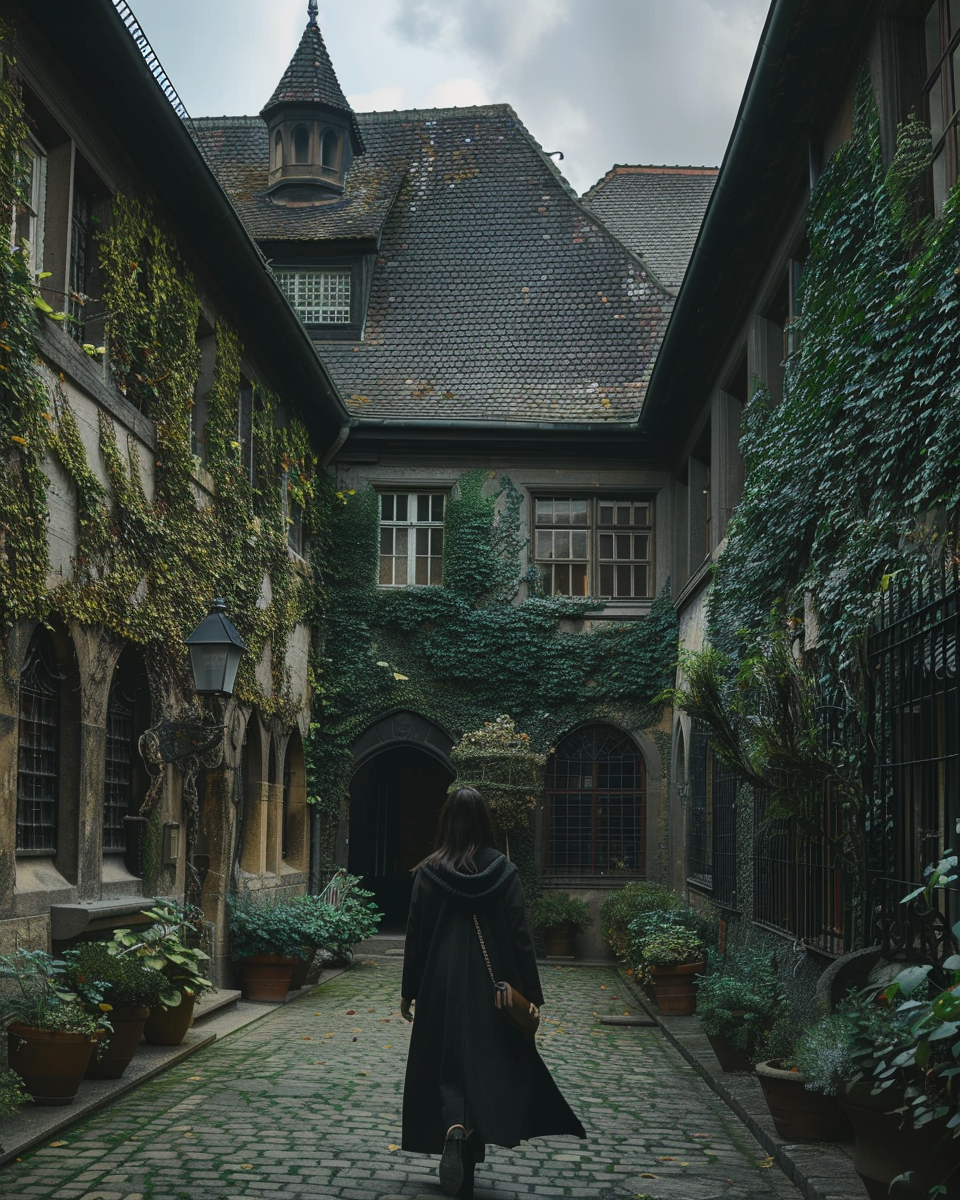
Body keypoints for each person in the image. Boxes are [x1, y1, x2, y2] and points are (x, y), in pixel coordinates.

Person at [400, 786, 585, 1197]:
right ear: (485, 821)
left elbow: (416, 936)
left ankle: (453, 1128)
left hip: (440, 985)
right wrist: (530, 995)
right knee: (482, 1067)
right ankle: (469, 1147)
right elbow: (521, 937)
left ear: (446, 821)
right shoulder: (503, 871)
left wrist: (408, 991)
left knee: (446, 1065)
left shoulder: (429, 872)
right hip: (493, 988)